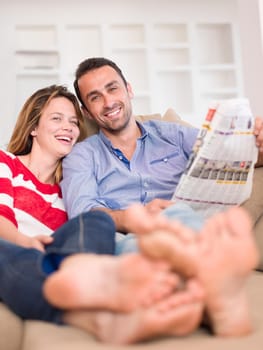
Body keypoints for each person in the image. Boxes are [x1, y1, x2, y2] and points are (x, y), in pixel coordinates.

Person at [0, 84, 202, 343]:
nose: (68, 127)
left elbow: (86, 229)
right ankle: (92, 314)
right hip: (22, 254)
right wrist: (26, 242)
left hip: (64, 261)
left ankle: (85, 281)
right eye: (56, 118)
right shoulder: (6, 163)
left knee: (95, 218)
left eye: (73, 122)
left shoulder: (71, 187)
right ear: (33, 127)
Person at [61, 56, 263, 252]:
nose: (108, 102)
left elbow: (228, 159)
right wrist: (130, 219)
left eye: (113, 88)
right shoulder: (81, 156)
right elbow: (82, 213)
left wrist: (258, 146)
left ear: (129, 90)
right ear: (86, 112)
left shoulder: (174, 134)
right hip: (126, 240)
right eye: (95, 97)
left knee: (181, 214)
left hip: (182, 228)